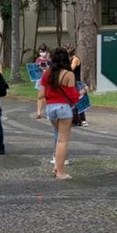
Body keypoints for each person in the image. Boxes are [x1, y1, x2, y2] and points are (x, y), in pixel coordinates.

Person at [35, 47, 80, 180]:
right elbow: (73, 96)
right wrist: (82, 92)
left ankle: (56, 166)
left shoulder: (47, 73)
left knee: (57, 136)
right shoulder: (68, 74)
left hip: (50, 108)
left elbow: (41, 94)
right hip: (64, 108)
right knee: (63, 140)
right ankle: (60, 171)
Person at [68, 44, 89, 127]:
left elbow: (71, 69)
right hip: (70, 82)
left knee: (79, 100)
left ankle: (83, 119)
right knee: (72, 101)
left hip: (77, 82)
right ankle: (75, 119)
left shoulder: (75, 59)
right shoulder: (68, 60)